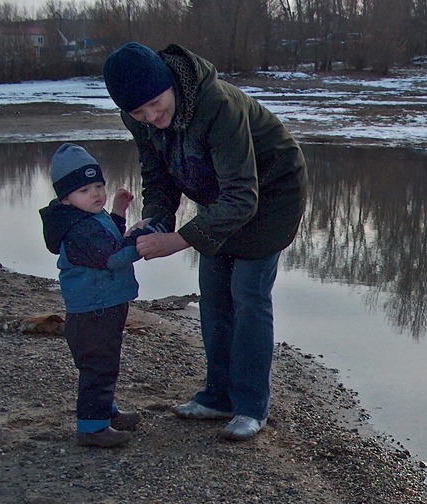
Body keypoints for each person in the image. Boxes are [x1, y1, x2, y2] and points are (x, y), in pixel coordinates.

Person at [102, 42, 308, 442]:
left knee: (247, 295)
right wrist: (156, 218)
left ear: (171, 85)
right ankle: (218, 397)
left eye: (157, 105)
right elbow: (158, 175)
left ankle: (250, 406)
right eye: (139, 112)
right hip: (223, 197)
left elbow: (243, 197)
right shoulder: (141, 118)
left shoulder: (217, 105)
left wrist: (178, 239)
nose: (152, 117)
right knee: (214, 292)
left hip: (271, 194)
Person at [39, 143, 145, 448]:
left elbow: (109, 236)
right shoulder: (77, 229)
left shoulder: (89, 218)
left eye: (99, 185)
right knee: (98, 365)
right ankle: (92, 428)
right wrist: (141, 239)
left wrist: (119, 212)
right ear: (67, 198)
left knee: (105, 362)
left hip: (104, 306)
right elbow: (111, 255)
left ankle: (104, 412)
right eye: (86, 189)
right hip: (93, 312)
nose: (96, 193)